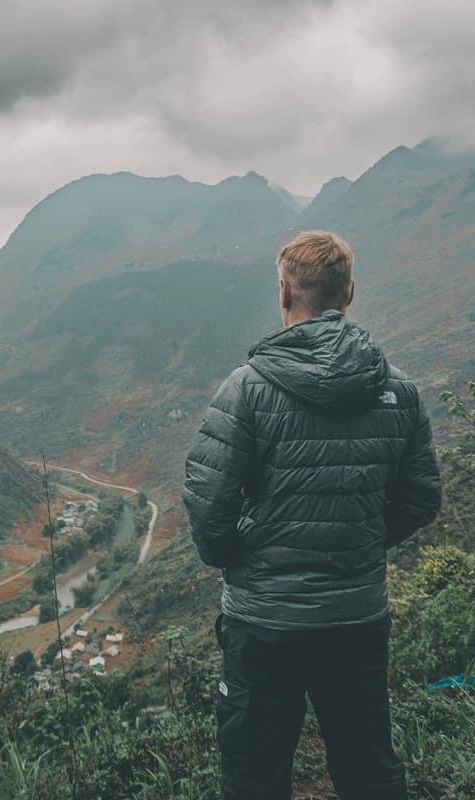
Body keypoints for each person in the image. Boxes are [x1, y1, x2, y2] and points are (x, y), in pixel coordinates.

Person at [182, 231, 442, 800]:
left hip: (265, 621)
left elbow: (207, 499)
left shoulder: (246, 389)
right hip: (356, 617)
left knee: (254, 772)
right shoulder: (399, 390)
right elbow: (422, 497)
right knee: (369, 767)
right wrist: (362, 541)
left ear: (283, 292)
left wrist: (240, 556)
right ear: (349, 292)